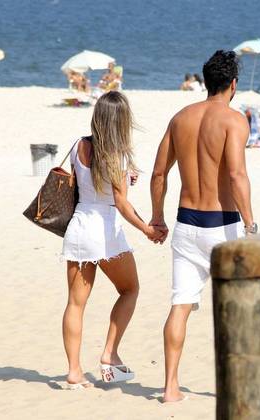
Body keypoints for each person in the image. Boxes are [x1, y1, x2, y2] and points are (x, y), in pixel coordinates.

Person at [149, 50, 256, 403]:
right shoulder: (234, 121)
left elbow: (159, 174)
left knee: (180, 305)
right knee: (240, 307)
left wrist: (157, 217)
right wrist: (251, 224)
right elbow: (237, 175)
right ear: (233, 85)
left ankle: (170, 388)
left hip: (185, 224)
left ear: (206, 81)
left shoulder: (180, 118)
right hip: (223, 227)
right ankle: (238, 388)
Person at [60, 91, 166, 389]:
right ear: (121, 121)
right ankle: (109, 353)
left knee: (75, 304)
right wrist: (146, 228)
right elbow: (119, 203)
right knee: (130, 289)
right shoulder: (117, 154)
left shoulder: (78, 145)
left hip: (79, 226)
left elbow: (83, 184)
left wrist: (123, 176)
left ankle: (73, 372)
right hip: (105, 230)